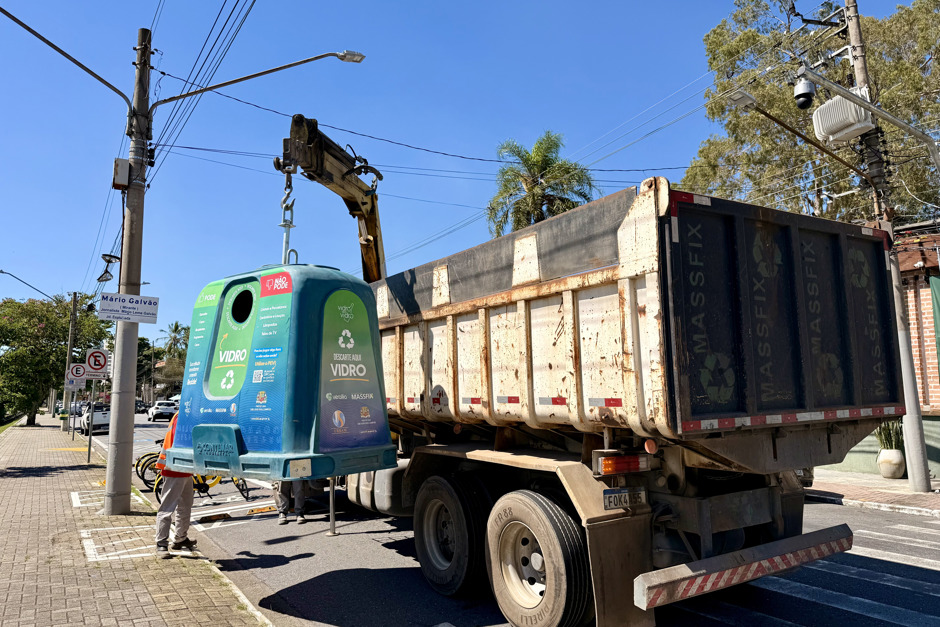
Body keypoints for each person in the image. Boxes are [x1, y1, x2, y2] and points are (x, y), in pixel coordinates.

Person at [154, 412, 197, 558]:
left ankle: (180, 538)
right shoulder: (183, 417)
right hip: (174, 468)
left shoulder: (184, 415)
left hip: (185, 469)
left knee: (185, 505)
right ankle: (161, 544)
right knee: (167, 507)